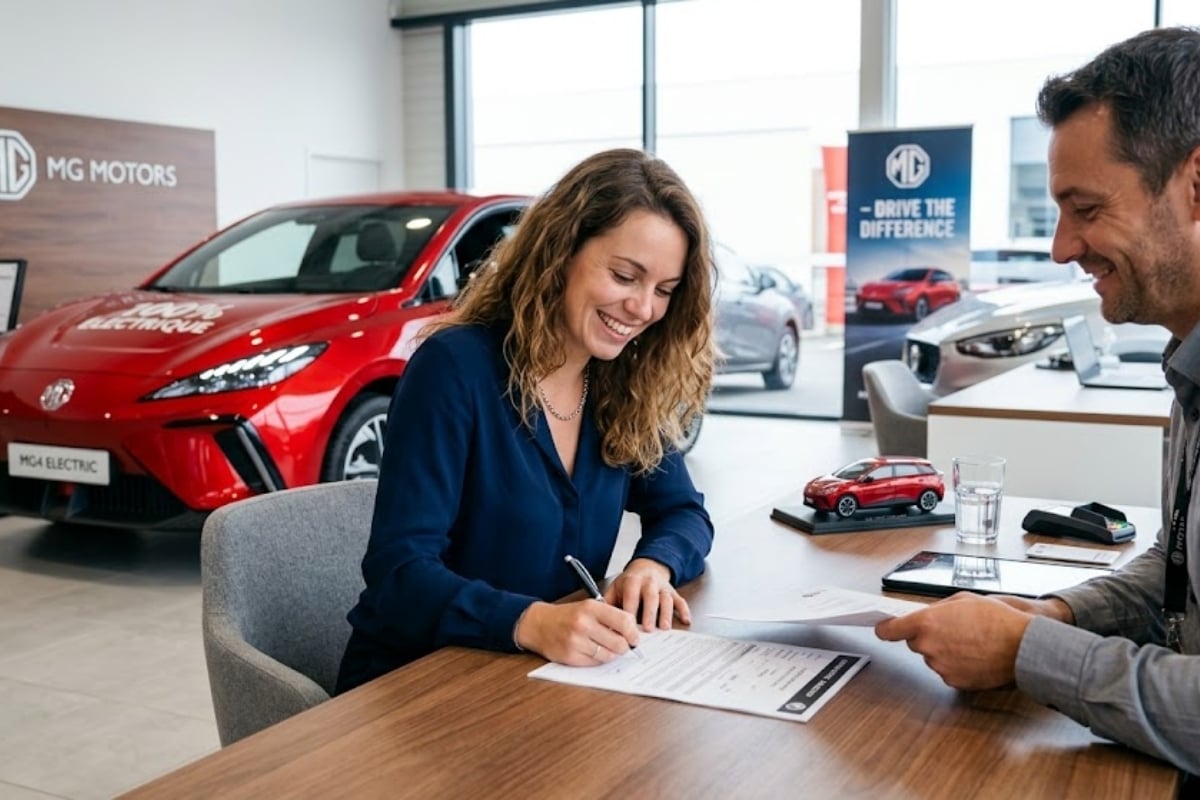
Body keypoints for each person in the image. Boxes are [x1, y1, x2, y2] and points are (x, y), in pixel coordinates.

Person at [875, 26, 1200, 774]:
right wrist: (1053, 616)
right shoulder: (1190, 360)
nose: (1060, 247)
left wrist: (1031, 653)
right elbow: (1177, 569)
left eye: (1084, 208)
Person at [335, 148, 717, 694]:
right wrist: (532, 622)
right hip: (415, 686)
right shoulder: (454, 368)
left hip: (537, 683)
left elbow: (683, 511)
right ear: (561, 252)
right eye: (624, 276)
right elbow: (400, 572)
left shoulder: (620, 383)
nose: (643, 309)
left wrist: (653, 566)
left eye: (663, 291)